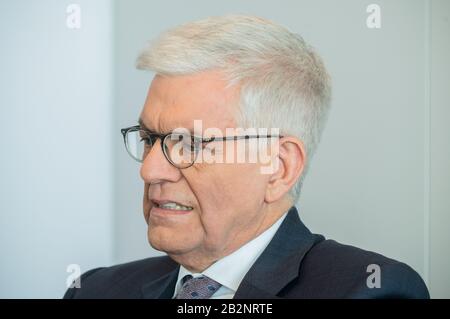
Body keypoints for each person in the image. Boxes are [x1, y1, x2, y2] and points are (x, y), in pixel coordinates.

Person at [64, 15, 429, 299]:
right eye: (148, 139)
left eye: (188, 144)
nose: (150, 169)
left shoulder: (368, 289)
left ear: (279, 168)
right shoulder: (96, 289)